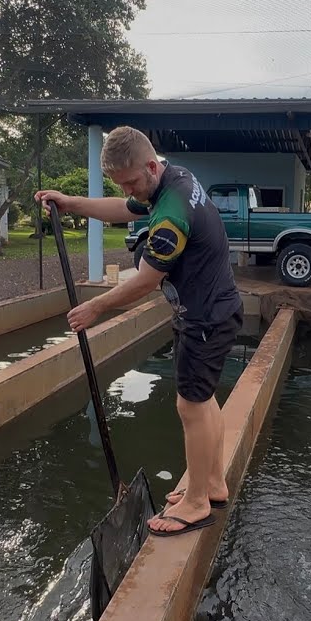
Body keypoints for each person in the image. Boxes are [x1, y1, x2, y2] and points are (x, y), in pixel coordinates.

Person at [34, 126, 244, 538]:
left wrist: (95, 306)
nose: (129, 189)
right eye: (122, 183)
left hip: (205, 318)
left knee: (190, 408)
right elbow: (124, 209)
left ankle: (198, 501)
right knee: (202, 401)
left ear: (149, 165)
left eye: (131, 181)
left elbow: (147, 280)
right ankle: (212, 483)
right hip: (211, 310)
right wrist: (69, 202)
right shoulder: (171, 179)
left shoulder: (171, 214)